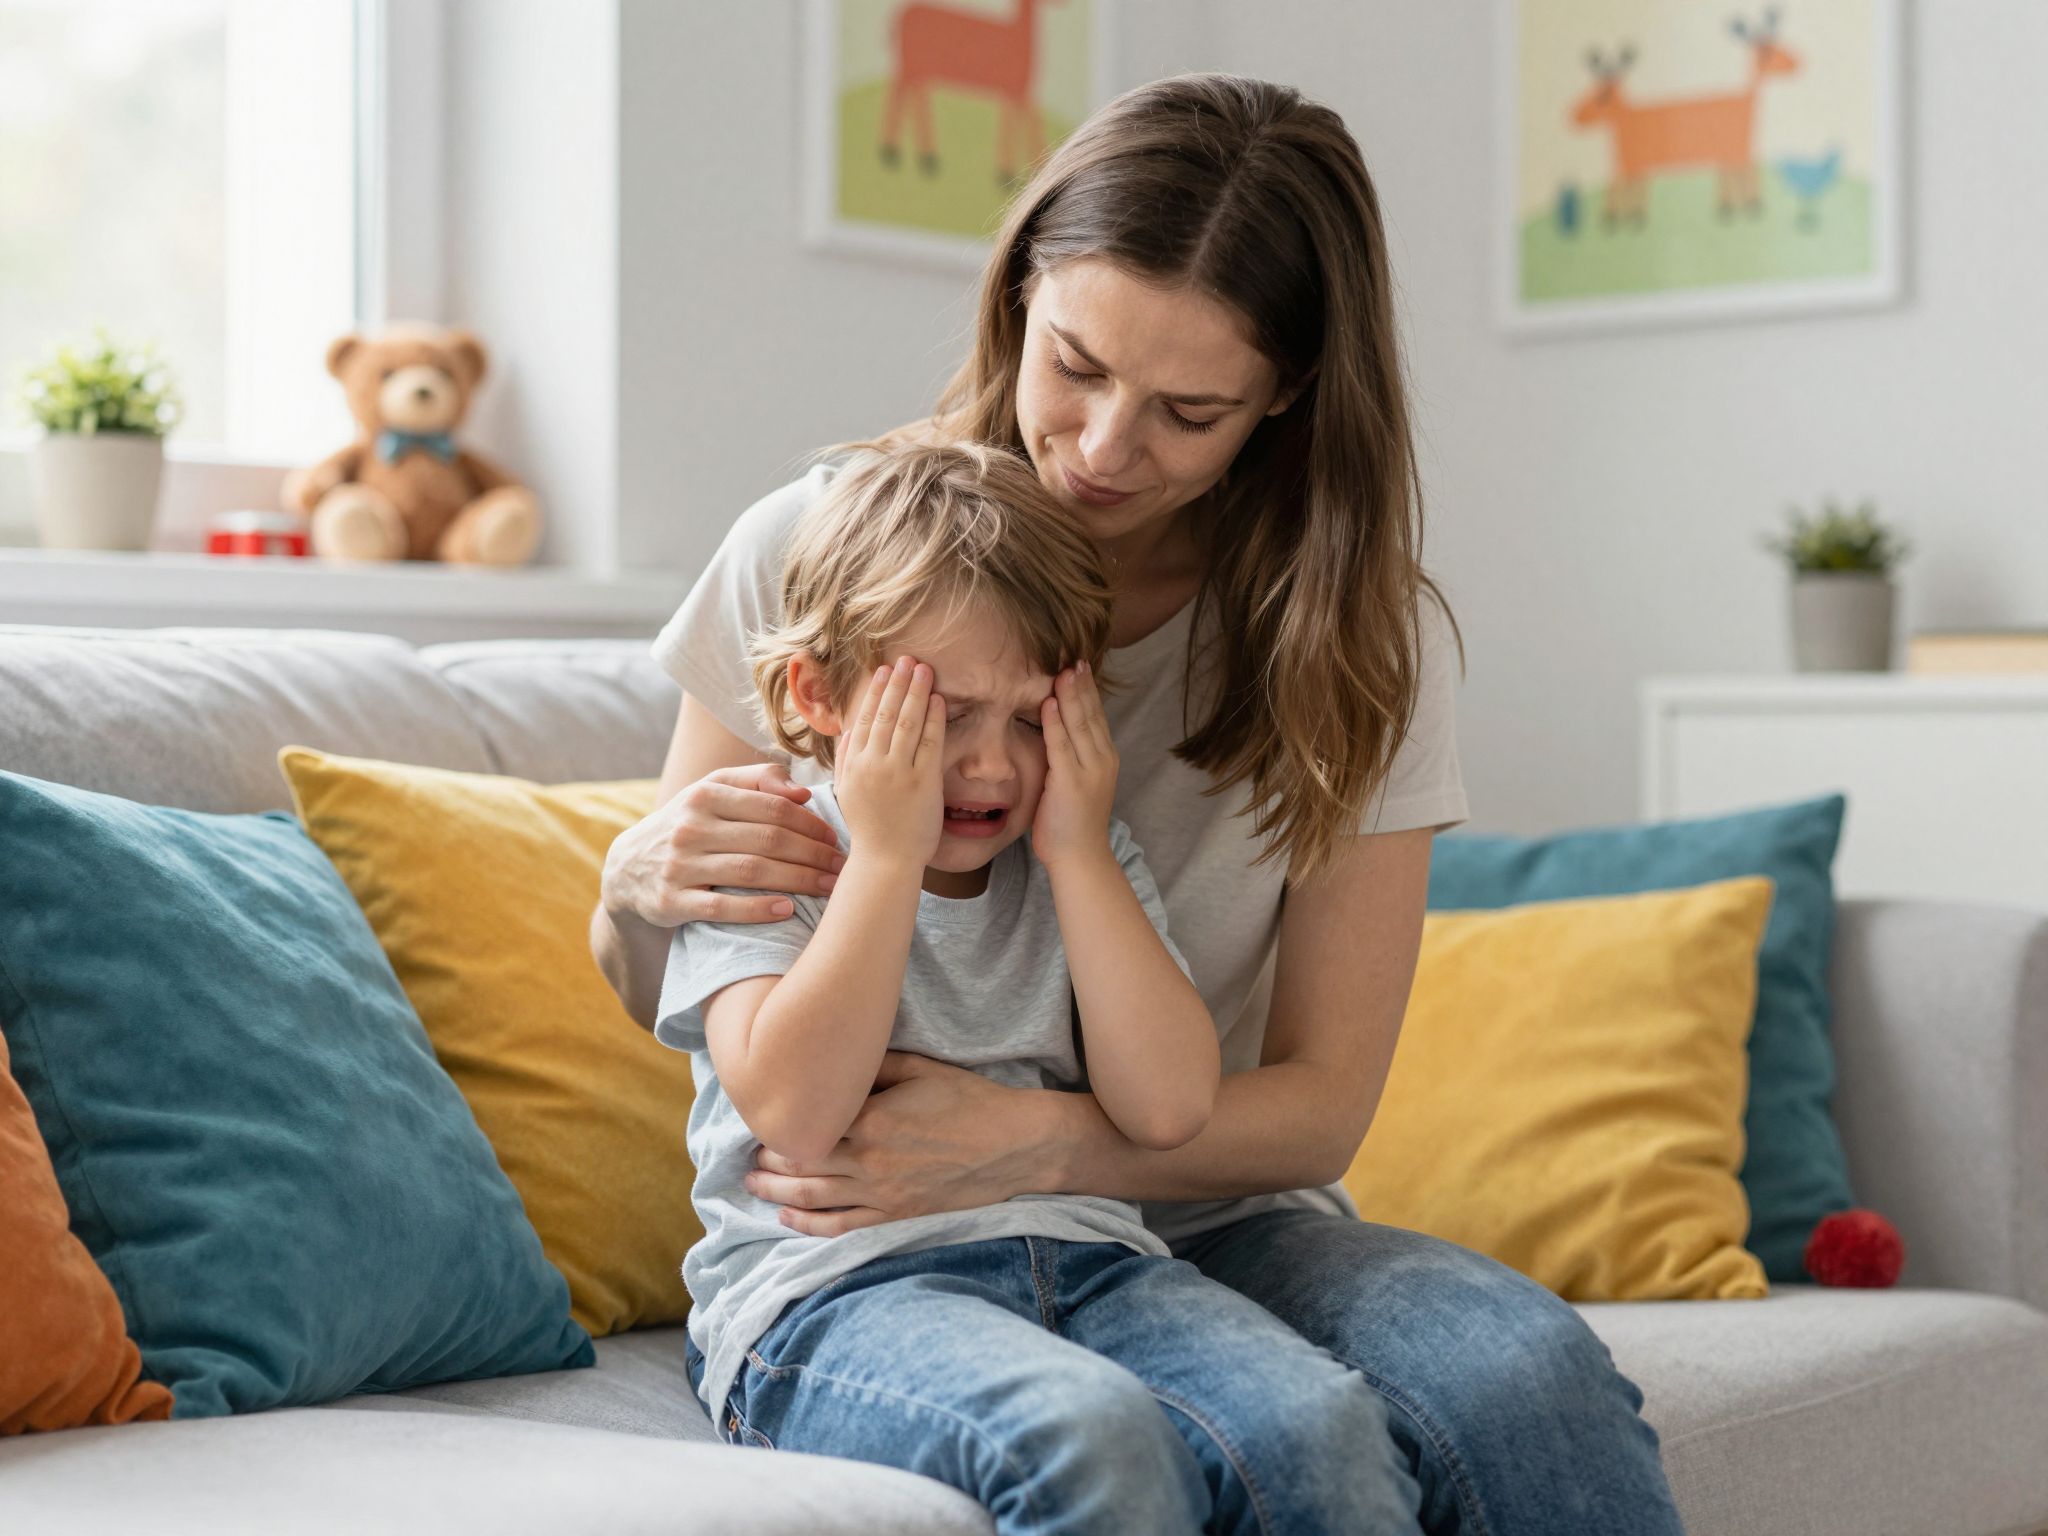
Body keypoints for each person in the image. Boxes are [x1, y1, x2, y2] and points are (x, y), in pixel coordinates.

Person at [596, 72, 1684, 1535]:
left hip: (1191, 1212)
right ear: (1019, 295)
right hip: (879, 1242)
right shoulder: (822, 557)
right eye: (1077, 365)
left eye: (1188, 411)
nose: (1105, 448)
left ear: (1285, 399)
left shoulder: (1356, 643)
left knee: (1523, 1372)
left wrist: (1036, 1142)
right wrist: (630, 886)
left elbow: (1317, 1110)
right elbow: (700, 993)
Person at [658, 439, 1411, 1532]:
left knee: (1317, 1426)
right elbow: (799, 1114)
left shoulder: (1078, 865)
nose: (990, 767)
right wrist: (880, 859)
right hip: (835, 1299)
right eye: (942, 714)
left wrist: (1081, 858)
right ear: (819, 695)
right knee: (1083, 1434)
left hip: (1100, 1268)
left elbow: (1166, 1109)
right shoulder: (771, 857)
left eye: (1028, 719)